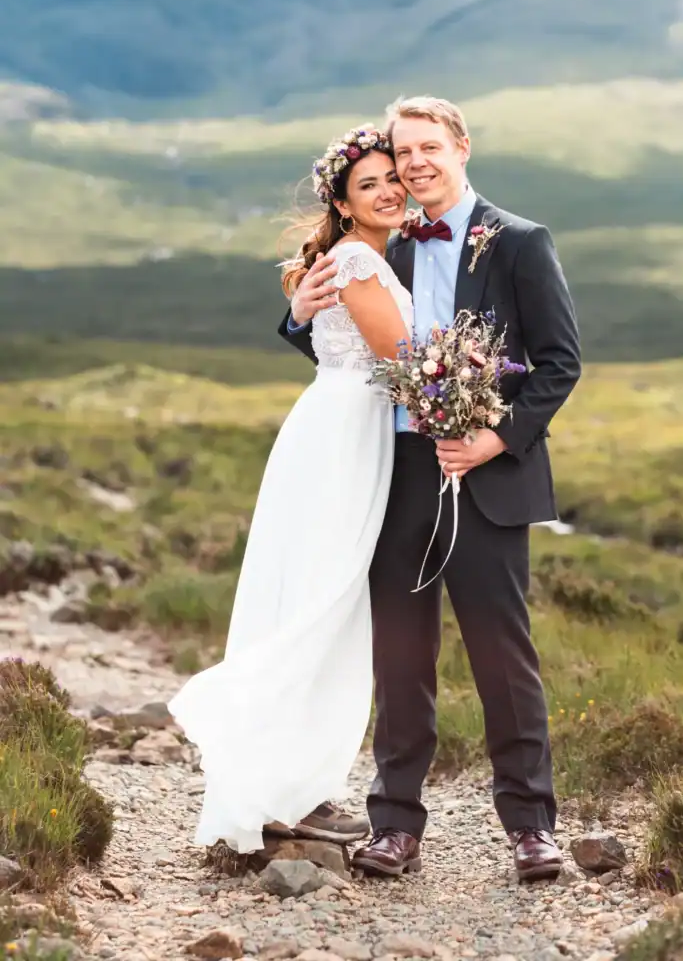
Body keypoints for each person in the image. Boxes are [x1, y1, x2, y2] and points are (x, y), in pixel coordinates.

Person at [280, 96, 582, 880]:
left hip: (485, 474)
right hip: (396, 473)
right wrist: (293, 317)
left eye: (426, 148)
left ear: (460, 147)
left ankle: (529, 827)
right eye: (401, 152)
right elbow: (345, 345)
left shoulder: (518, 242)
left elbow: (557, 364)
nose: (412, 164)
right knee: (400, 653)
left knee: (500, 654)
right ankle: (395, 824)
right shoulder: (388, 243)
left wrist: (493, 438)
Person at [169, 126, 413, 854]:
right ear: (340, 202)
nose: (388, 190)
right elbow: (403, 357)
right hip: (343, 438)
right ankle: (280, 777)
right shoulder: (359, 256)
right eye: (367, 184)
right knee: (323, 602)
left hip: (338, 430)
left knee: (319, 599)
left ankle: (294, 785)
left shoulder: (358, 255)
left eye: (391, 176)